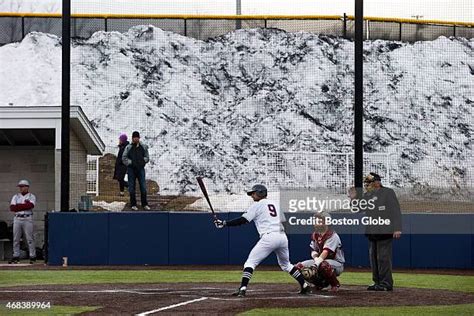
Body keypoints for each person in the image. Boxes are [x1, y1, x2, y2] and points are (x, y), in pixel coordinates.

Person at [214, 184, 310, 297]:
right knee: (286, 264)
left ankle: (243, 288)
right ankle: (304, 285)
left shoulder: (257, 205)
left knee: (250, 262)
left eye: (253, 193)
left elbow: (243, 220)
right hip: (282, 236)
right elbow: (284, 222)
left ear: (260, 193)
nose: (252, 195)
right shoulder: (275, 204)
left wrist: (225, 223)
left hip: (269, 236)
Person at [362, 172, 402, 291]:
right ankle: (377, 282)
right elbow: (357, 209)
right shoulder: (367, 195)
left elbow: (395, 211)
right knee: (373, 258)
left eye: (369, 182)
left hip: (385, 231)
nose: (367, 185)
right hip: (372, 231)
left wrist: (397, 228)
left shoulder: (388, 193)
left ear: (377, 182)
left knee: (383, 258)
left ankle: (386, 283)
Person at [296, 214, 345, 292]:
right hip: (320, 260)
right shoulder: (315, 235)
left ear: (327, 222)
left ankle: (335, 284)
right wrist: (316, 259)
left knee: (323, 265)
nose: (316, 223)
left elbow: (325, 252)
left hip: (337, 263)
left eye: (319, 221)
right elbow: (313, 250)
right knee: (298, 267)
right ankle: (319, 284)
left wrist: (315, 264)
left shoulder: (332, 235)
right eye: (316, 221)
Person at [9, 180, 36, 264]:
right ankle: (16, 256)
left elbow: (31, 205)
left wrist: (18, 206)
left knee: (29, 238)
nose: (21, 188)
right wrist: (24, 206)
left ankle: (32, 256)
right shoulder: (16, 196)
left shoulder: (31, 196)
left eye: (22, 186)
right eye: (20, 186)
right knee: (16, 238)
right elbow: (12, 208)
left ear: (27, 187)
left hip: (27, 218)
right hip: (17, 218)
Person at [122, 131, 150, 210]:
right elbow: (124, 158)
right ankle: (133, 204)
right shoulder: (128, 147)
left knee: (143, 187)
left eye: (137, 137)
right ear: (132, 138)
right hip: (131, 170)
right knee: (131, 187)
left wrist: (142, 160)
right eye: (134, 138)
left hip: (141, 169)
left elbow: (147, 157)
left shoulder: (143, 147)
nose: (136, 139)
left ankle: (144, 204)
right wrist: (131, 162)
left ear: (139, 138)